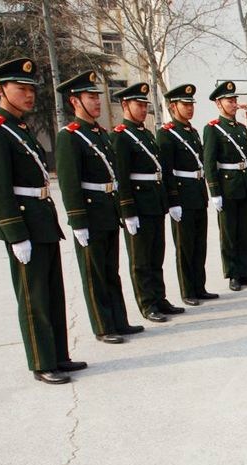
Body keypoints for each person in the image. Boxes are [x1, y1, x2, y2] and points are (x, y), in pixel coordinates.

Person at [0, 57, 85, 384]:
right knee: (33, 296)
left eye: (31, 89)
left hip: (42, 219)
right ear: (0, 89)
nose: (28, 94)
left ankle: (58, 356)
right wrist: (14, 233)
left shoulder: (18, 128)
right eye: (20, 88)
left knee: (52, 293)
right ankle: (41, 362)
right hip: (24, 223)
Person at [55, 70, 143, 345]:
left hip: (107, 209)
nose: (97, 102)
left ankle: (119, 320)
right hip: (90, 213)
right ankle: (103, 326)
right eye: (90, 97)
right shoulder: (70, 136)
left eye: (97, 97)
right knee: (94, 274)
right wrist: (77, 220)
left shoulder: (100, 135)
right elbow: (70, 183)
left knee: (110, 270)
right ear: (74, 102)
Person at [111, 82, 183, 322]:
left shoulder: (145, 134)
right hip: (138, 205)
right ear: (125, 105)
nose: (143, 110)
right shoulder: (120, 137)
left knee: (156, 255)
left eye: (145, 105)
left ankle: (159, 297)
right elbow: (121, 176)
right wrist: (127, 210)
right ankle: (147, 303)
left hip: (154, 202)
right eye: (138, 105)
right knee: (141, 259)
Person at [158, 83, 218, 304]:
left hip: (197, 194)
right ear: (173, 106)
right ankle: (187, 290)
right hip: (182, 196)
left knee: (199, 244)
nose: (190, 108)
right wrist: (173, 200)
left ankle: (199, 286)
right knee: (185, 247)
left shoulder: (192, 132)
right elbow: (167, 170)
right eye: (185, 104)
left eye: (192, 104)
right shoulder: (166, 134)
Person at [203, 80, 247, 292]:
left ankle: (245, 272)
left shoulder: (240, 128)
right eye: (229, 100)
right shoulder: (213, 129)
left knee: (243, 232)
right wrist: (214, 192)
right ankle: (233, 274)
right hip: (227, 188)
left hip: (244, 185)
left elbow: (246, 158)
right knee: (228, 234)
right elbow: (209, 162)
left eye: (235, 99)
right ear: (218, 103)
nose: (234, 103)